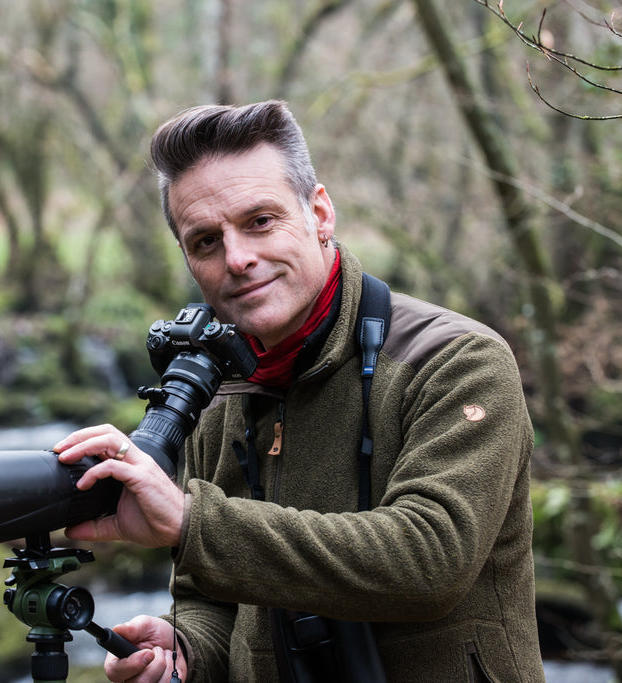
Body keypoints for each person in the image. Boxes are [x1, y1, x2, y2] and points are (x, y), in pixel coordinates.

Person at [55, 100, 544, 682]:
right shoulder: (215, 389)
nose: (238, 258)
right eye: (206, 242)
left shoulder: (455, 360)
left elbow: (430, 562)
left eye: (260, 221)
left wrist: (191, 523)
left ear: (319, 213)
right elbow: (207, 595)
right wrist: (185, 653)